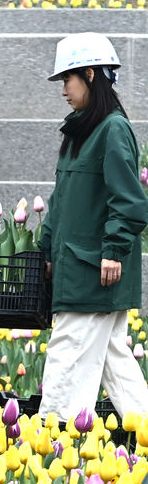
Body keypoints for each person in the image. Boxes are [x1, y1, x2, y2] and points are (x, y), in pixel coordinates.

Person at [39, 32, 148, 422]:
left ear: (88, 74)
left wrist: (114, 251)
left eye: (66, 80)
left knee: (67, 356)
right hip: (77, 267)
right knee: (114, 362)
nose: (63, 90)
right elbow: (61, 201)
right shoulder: (79, 131)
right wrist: (46, 248)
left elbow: (129, 200)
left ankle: (53, 441)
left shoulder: (112, 129)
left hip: (96, 271)